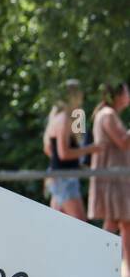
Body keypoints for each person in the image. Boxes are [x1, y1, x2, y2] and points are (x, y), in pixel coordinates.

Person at [88, 80, 130, 277]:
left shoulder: (108, 114)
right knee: (118, 222)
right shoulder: (108, 115)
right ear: (118, 96)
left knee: (120, 222)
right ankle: (102, 266)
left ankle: (109, 267)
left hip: (116, 176)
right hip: (113, 178)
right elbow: (122, 142)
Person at [43, 80, 100, 219]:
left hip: (61, 175)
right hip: (64, 177)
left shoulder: (70, 116)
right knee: (81, 224)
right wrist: (91, 149)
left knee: (58, 223)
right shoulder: (63, 119)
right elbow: (64, 153)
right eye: (79, 94)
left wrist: (78, 162)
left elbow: (49, 149)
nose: (82, 97)